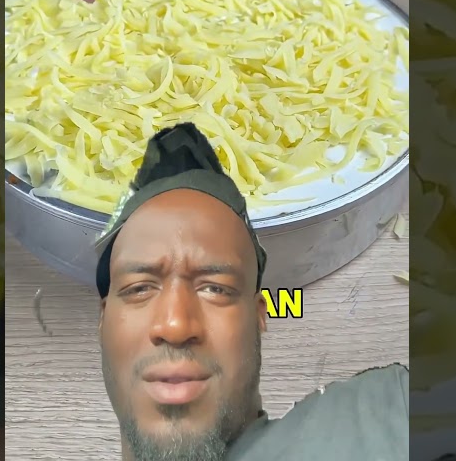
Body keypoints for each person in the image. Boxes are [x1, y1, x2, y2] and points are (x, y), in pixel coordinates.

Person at [93, 123, 408, 461]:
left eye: (216, 288)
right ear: (103, 318)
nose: (175, 325)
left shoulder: (384, 416)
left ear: (259, 315)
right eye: (139, 288)